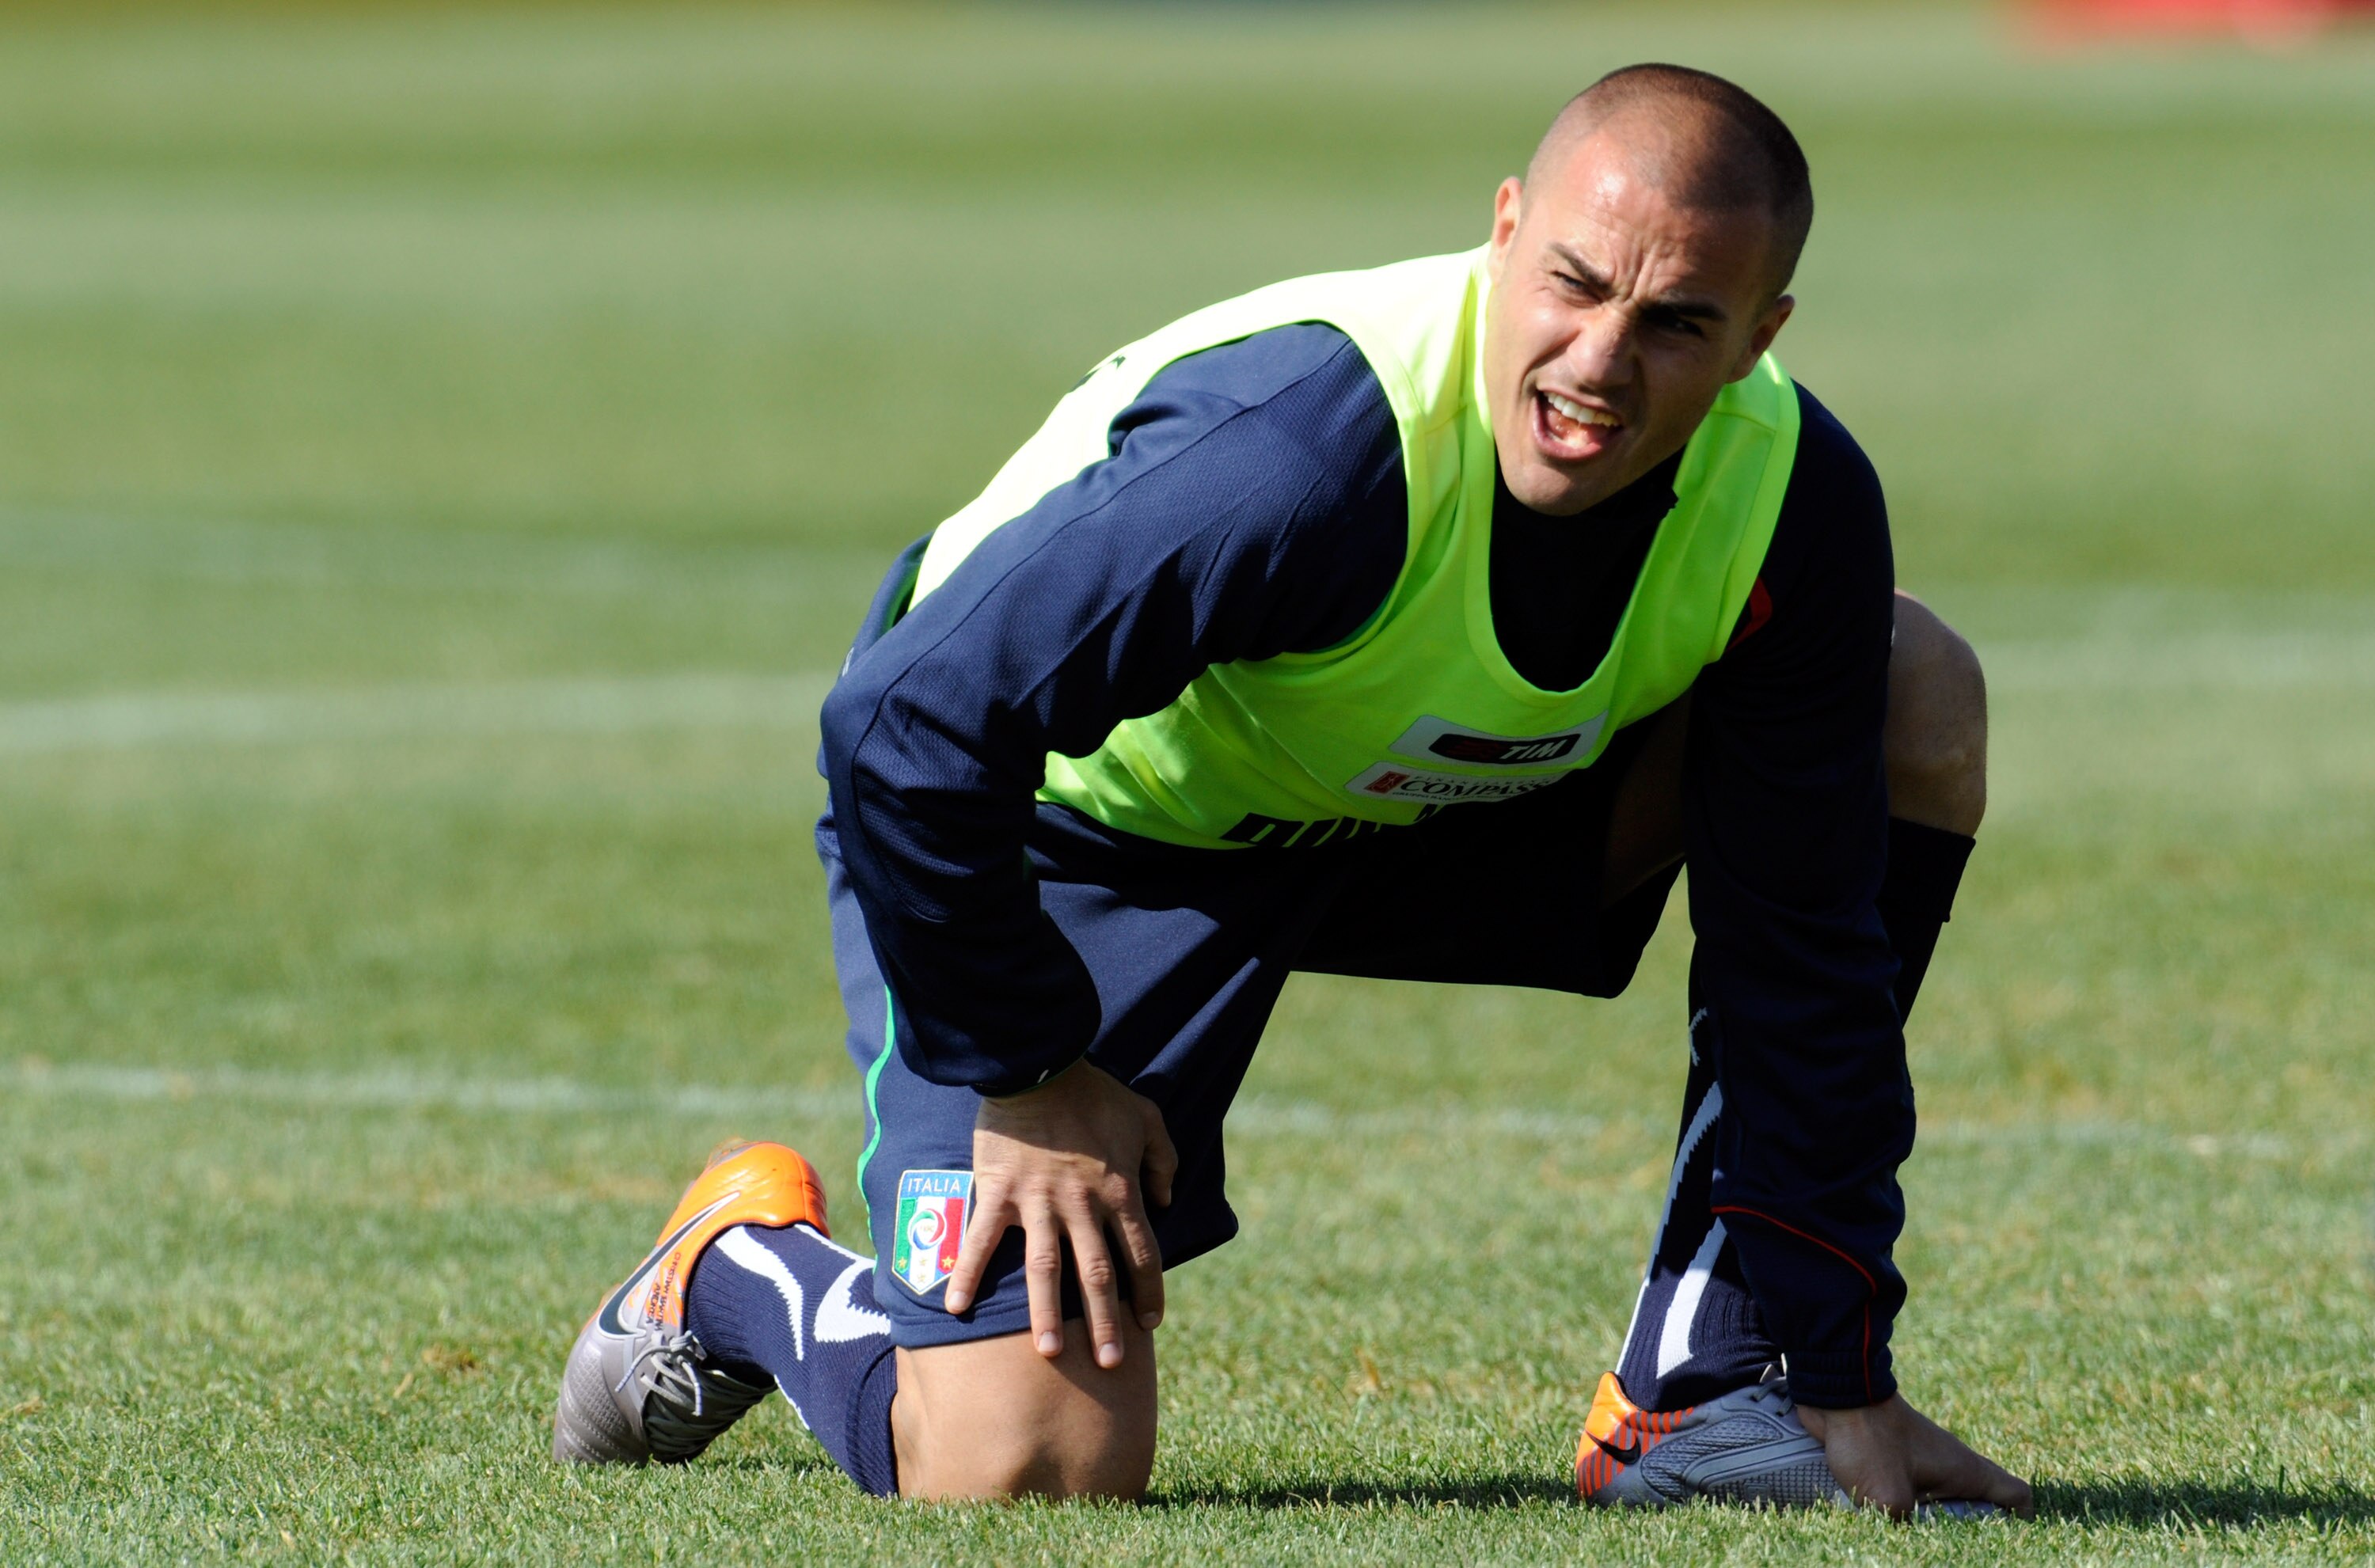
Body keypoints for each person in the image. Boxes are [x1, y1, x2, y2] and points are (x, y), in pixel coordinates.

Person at [549, 63, 2034, 1518]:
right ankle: (734, 1263)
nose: (1598, 359)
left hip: (1430, 811)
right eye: (1575, 283)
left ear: (1759, 335)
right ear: (1504, 227)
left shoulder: (1793, 498)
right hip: (1091, 840)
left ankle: (1713, 1386)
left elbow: (1806, 957)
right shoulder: (1303, 452)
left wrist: (1834, 1355)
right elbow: (907, 724)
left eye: (1677, 321)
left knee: (1911, 692)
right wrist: (1027, 1066)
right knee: (1024, 1466)